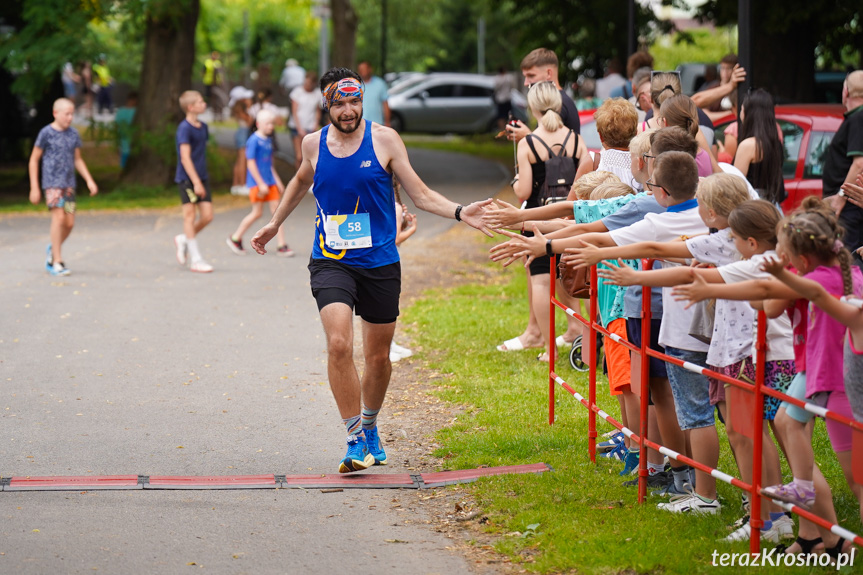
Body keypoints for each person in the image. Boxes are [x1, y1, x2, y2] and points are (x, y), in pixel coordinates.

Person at [250, 67, 493, 474]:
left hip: (380, 261)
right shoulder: (314, 145)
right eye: (339, 103)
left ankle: (370, 424)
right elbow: (298, 181)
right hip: (331, 260)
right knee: (340, 344)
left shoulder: (384, 140)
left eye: (354, 101)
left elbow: (419, 193)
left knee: (378, 358)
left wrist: (459, 211)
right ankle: (353, 439)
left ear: (362, 100)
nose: (348, 110)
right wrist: (275, 223)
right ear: (326, 105)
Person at [500, 81, 589, 361]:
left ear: (532, 108)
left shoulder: (528, 143)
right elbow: (586, 180)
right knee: (571, 276)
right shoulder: (576, 139)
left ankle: (550, 349)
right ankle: (583, 332)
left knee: (541, 280)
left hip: (538, 220)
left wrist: (515, 180)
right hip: (570, 218)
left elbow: (524, 191)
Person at [28, 98, 98, 277]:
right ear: (55, 113)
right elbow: (34, 160)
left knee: (69, 222)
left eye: (72, 114)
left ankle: (53, 247)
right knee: (58, 219)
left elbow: (78, 159)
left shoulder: (73, 134)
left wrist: (89, 180)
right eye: (67, 114)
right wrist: (34, 187)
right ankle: (56, 261)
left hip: (69, 187)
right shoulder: (46, 133)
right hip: (52, 185)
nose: (70, 117)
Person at [226, 109, 292, 258]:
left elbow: (269, 164)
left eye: (272, 123)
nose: (271, 126)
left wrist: (278, 181)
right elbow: (251, 164)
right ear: (258, 124)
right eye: (267, 123)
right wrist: (260, 183)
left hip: (270, 182)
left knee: (277, 213)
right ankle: (235, 238)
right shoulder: (253, 141)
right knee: (257, 213)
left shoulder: (269, 140)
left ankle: (281, 245)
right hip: (257, 184)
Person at [822, 70, 863, 259]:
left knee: (846, 260)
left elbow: (859, 163)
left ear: (846, 91)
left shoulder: (859, 118)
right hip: (852, 204)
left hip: (849, 207)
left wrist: (840, 197)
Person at [173, 90, 214, 273]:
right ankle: (196, 259)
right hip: (187, 179)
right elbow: (185, 158)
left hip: (202, 177)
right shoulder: (184, 128)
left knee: (207, 216)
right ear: (190, 107)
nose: (203, 104)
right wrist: (195, 182)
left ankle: (183, 239)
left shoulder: (203, 126)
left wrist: (201, 179)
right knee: (189, 217)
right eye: (200, 101)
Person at [507, 48, 580, 142]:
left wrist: (527, 136)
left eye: (531, 76)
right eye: (525, 77)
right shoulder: (560, 100)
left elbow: (553, 148)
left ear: (549, 73)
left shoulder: (558, 104)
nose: (526, 83)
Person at [734, 89, 787, 206]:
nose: (740, 113)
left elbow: (735, 186)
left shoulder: (748, 145)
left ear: (749, 113)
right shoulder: (775, 143)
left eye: (742, 109)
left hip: (751, 209)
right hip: (771, 207)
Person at [390, 177, 417, 363]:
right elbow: (395, 239)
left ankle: (390, 343)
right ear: (399, 184)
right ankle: (387, 345)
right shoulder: (396, 206)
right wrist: (412, 230)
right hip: (389, 258)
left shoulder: (392, 205)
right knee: (388, 305)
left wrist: (403, 221)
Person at [591, 98, 640, 188]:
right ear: (636, 133)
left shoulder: (594, 161)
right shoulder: (643, 163)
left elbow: (573, 199)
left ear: (601, 136)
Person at [289, 70, 322, 170]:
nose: (306, 85)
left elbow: (317, 111)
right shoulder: (297, 92)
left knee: (310, 156)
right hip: (297, 127)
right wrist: (299, 128)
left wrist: (316, 124)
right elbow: (294, 111)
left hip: (310, 127)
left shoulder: (317, 94)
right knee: (299, 156)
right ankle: (298, 178)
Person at [229, 86, 255, 195]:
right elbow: (249, 122)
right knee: (243, 160)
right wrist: (249, 107)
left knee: (239, 160)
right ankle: (243, 184)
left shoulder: (237, 108)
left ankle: (236, 185)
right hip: (243, 133)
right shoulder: (241, 109)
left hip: (241, 133)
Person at [357, 61, 390, 128]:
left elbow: (385, 104)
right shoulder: (356, 85)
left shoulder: (380, 84)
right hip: (359, 123)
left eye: (364, 69)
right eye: (360, 70)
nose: (362, 71)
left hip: (376, 123)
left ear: (370, 69)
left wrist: (387, 121)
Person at [114, 91, 137, 169]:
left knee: (124, 157)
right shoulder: (135, 111)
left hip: (122, 139)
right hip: (132, 140)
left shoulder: (120, 111)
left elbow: (116, 126)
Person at [493, 65, 518, 131]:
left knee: (500, 116)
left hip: (500, 99)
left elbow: (495, 89)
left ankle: (502, 130)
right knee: (509, 115)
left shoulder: (497, 78)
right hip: (507, 98)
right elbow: (513, 86)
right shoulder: (509, 78)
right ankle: (508, 130)